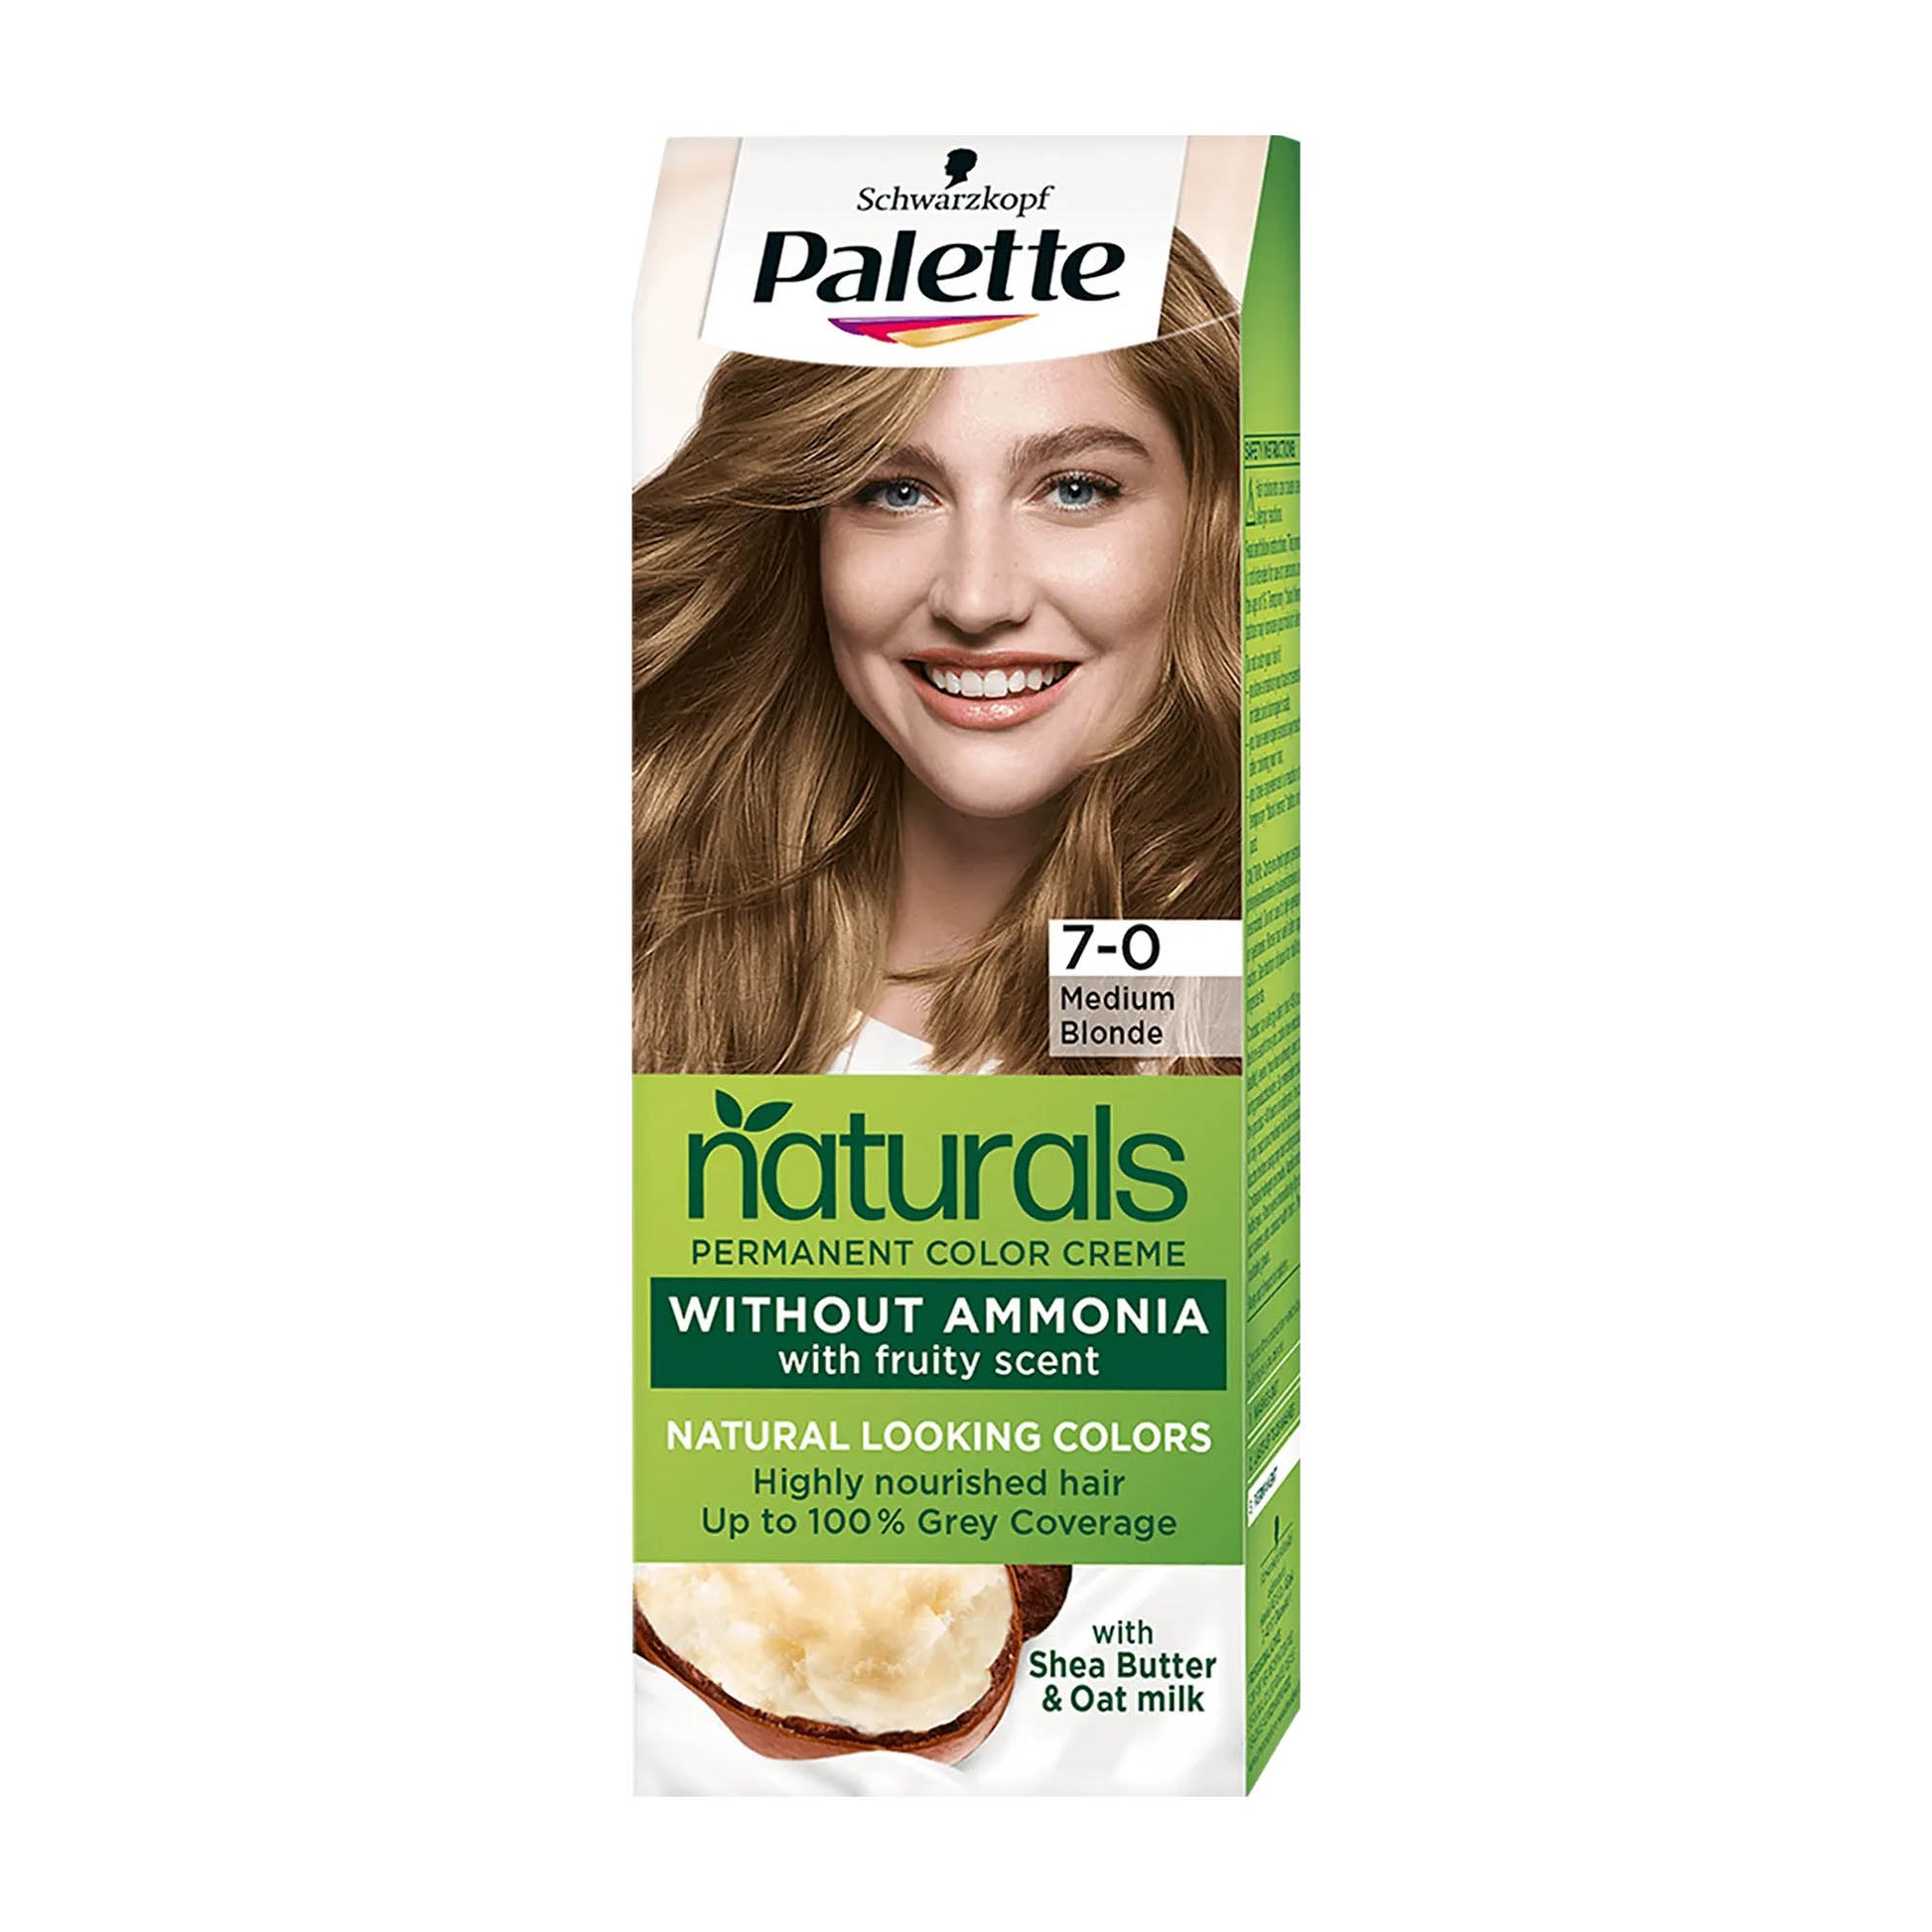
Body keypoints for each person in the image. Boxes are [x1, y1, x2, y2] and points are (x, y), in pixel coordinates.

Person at [632, 232, 1240, 1076]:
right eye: (897, 492)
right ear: (807, 535)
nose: (976, 599)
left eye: (1076, 490)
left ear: (1214, 523)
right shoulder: (647, 927)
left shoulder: (1234, 978)